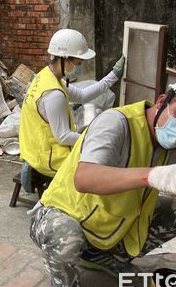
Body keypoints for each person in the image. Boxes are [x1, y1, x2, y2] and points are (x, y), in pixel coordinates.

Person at [29, 75, 176, 287]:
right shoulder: (116, 122)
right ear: (162, 101)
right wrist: (152, 175)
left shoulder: (174, 147)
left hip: (106, 222)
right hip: (60, 214)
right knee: (66, 236)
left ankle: (100, 255)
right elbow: (84, 178)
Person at [19, 28, 125, 183]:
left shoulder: (46, 75)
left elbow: (82, 96)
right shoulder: (53, 94)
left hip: (33, 150)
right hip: (50, 159)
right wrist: (92, 137)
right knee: (103, 161)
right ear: (64, 59)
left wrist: (113, 75)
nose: (80, 67)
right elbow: (63, 136)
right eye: (78, 62)